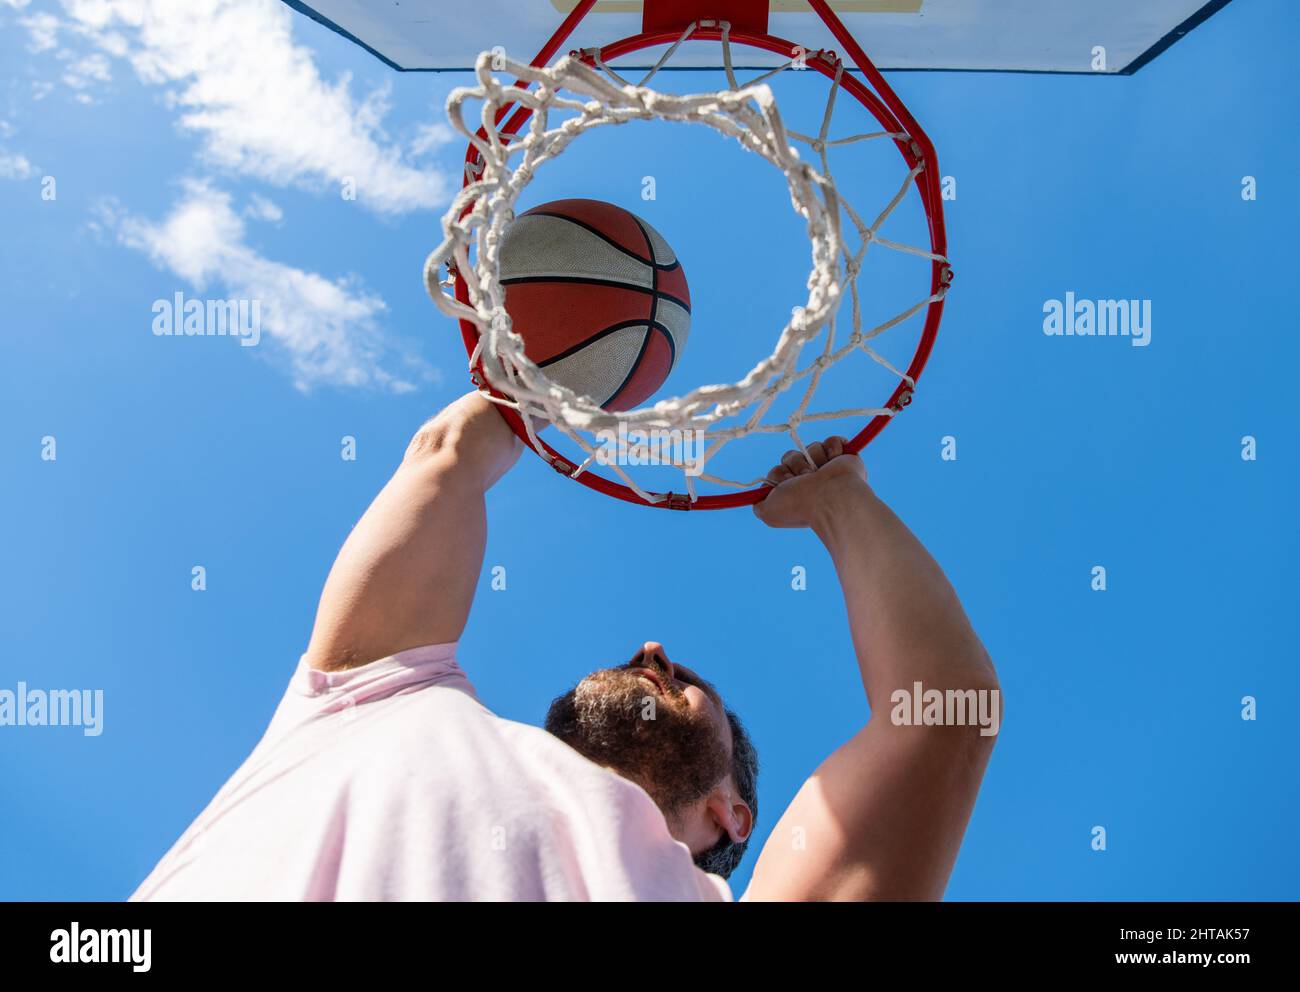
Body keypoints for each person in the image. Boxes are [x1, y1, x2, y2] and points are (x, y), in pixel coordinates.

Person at [132, 392, 999, 901]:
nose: (653, 649)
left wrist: (839, 499)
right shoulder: (375, 693)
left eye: (688, 680)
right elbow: (446, 455)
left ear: (731, 817)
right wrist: (543, 363)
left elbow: (947, 715)